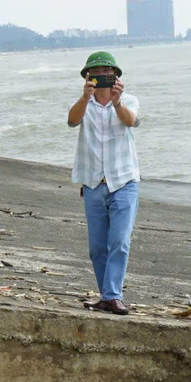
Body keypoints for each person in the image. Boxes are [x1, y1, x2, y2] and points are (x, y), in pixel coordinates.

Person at [67, 50, 141, 314]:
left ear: (116, 77)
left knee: (119, 241)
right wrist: (85, 97)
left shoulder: (129, 100)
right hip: (93, 182)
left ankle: (112, 295)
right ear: (88, 77)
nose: (101, 78)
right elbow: (71, 121)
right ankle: (107, 296)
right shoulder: (82, 104)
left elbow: (131, 122)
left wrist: (118, 103)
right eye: (95, 74)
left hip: (124, 181)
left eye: (106, 74)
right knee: (97, 247)